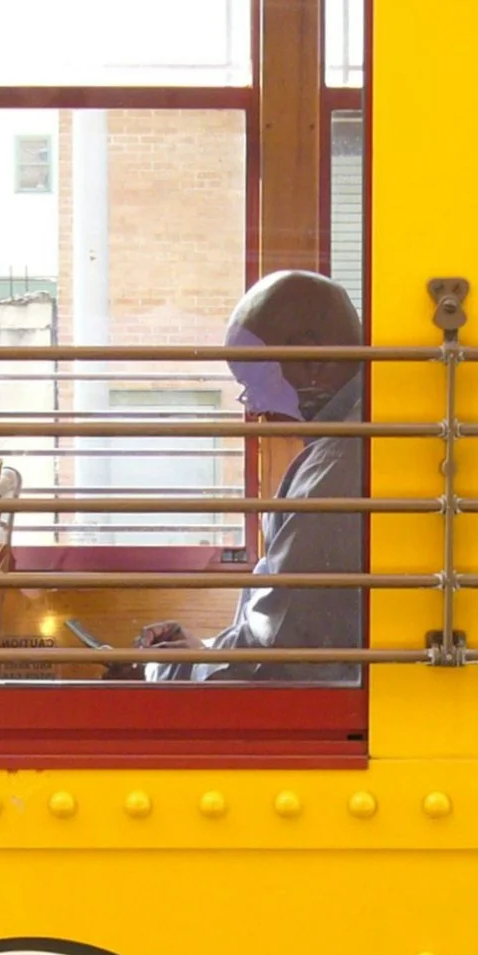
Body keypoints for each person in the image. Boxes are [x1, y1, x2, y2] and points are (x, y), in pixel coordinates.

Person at [138, 270, 365, 683]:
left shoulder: (338, 466)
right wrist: (206, 649)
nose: (254, 406)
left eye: (255, 380)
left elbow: (279, 653)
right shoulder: (345, 444)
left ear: (310, 358)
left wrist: (171, 669)